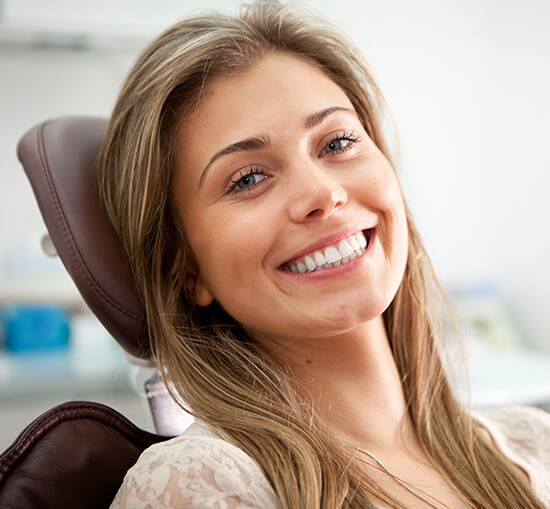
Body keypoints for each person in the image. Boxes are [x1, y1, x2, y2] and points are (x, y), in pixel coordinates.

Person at [99, 1, 550, 507]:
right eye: (249, 178)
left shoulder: (536, 446)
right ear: (183, 267)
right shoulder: (200, 485)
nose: (324, 194)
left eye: (336, 142)